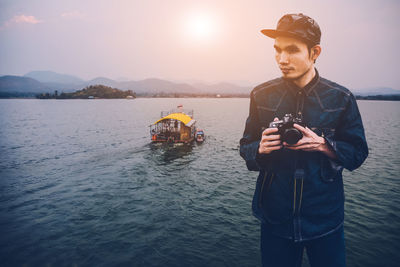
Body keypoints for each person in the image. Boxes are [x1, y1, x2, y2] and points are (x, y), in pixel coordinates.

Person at [239, 13, 368, 267]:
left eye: (292, 50)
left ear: (314, 52)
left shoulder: (340, 98)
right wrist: (260, 149)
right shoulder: (261, 95)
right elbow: (246, 146)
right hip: (275, 218)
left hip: (325, 220)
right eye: (277, 50)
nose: (282, 59)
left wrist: (323, 145)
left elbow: (358, 153)